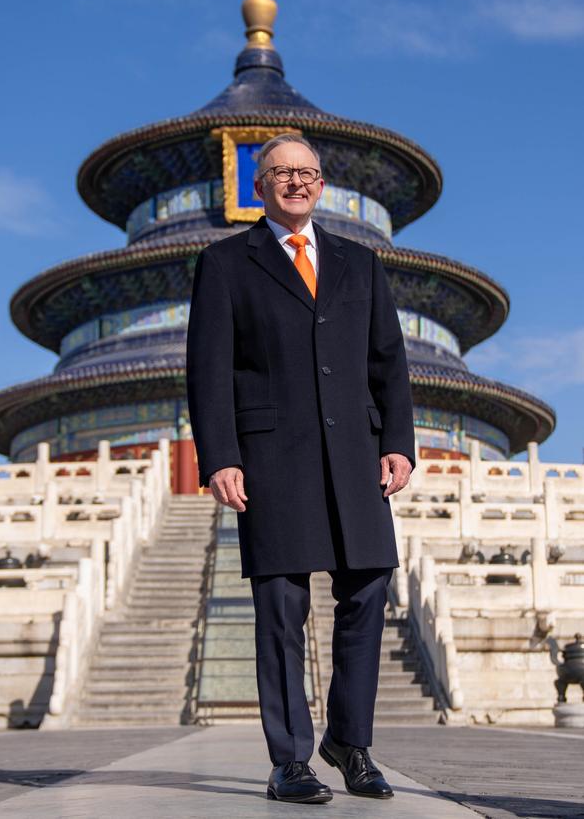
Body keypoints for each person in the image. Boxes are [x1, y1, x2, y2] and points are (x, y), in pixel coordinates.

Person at [186, 133, 415, 804]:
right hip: (272, 457)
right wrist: (221, 455)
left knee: (369, 586)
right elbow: (209, 369)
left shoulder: (359, 262)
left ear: (322, 184)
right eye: (281, 172)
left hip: (355, 458)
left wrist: (397, 440)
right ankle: (289, 758)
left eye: (306, 173)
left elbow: (389, 362)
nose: (295, 182)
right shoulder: (227, 262)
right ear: (258, 186)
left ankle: (350, 739)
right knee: (281, 606)